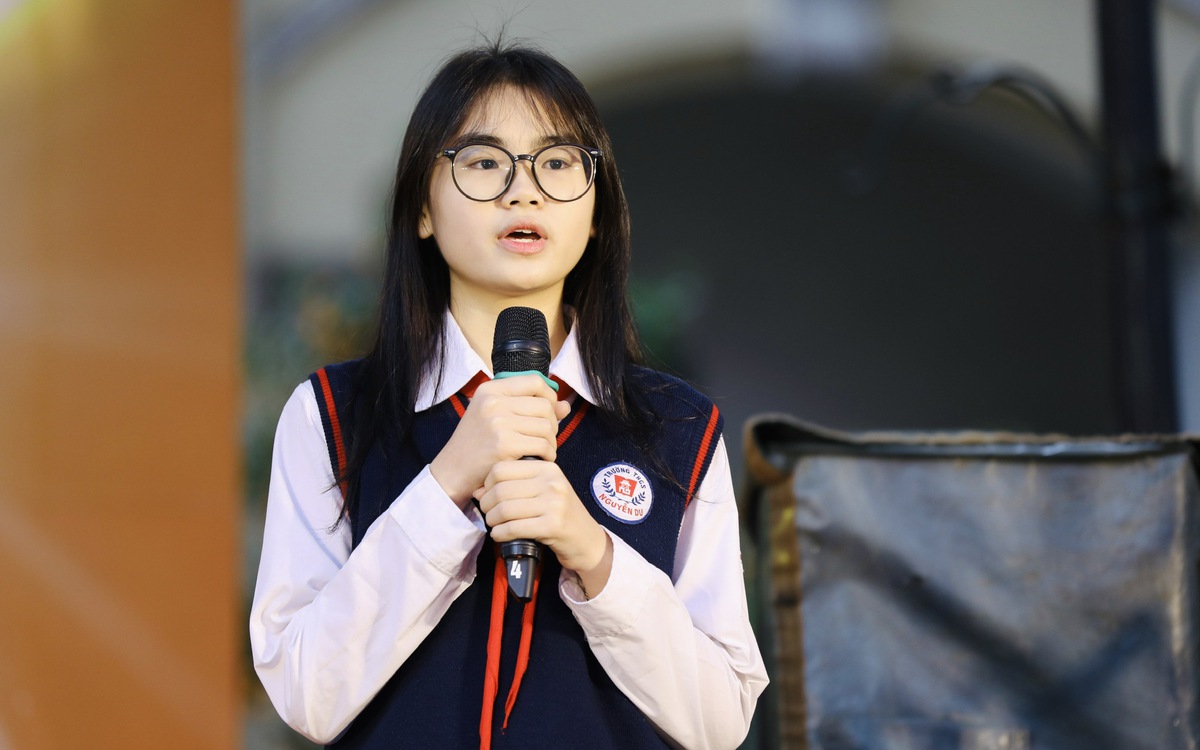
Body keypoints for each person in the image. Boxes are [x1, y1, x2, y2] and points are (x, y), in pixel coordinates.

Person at [250, 41, 768, 750]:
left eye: (557, 162)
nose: (523, 191)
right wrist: (446, 487)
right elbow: (306, 692)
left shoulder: (678, 428)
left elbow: (722, 720)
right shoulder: (334, 415)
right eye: (484, 162)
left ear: (596, 211)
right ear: (422, 208)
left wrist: (594, 554)